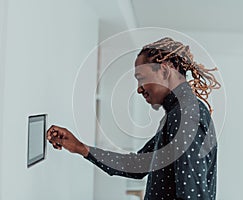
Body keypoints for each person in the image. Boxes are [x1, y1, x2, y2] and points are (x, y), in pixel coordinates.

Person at [47, 37, 221, 200]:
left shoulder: (186, 114)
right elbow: (138, 165)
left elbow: (193, 196)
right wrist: (80, 147)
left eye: (141, 78)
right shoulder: (178, 113)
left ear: (164, 70)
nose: (139, 89)